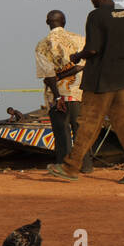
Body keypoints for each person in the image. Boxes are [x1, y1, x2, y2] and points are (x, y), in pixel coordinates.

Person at [50, 0, 124, 184]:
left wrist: (77, 56)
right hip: (123, 77)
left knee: (88, 123)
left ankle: (70, 167)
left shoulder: (95, 16)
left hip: (100, 80)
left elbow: (93, 49)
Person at [35, 10, 93, 173]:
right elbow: (88, 65)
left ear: (47, 22)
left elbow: (48, 75)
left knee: (62, 132)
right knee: (81, 130)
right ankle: (87, 166)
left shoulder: (42, 44)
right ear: (64, 22)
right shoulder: (81, 39)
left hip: (58, 95)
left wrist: (58, 95)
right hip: (80, 92)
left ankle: (65, 166)